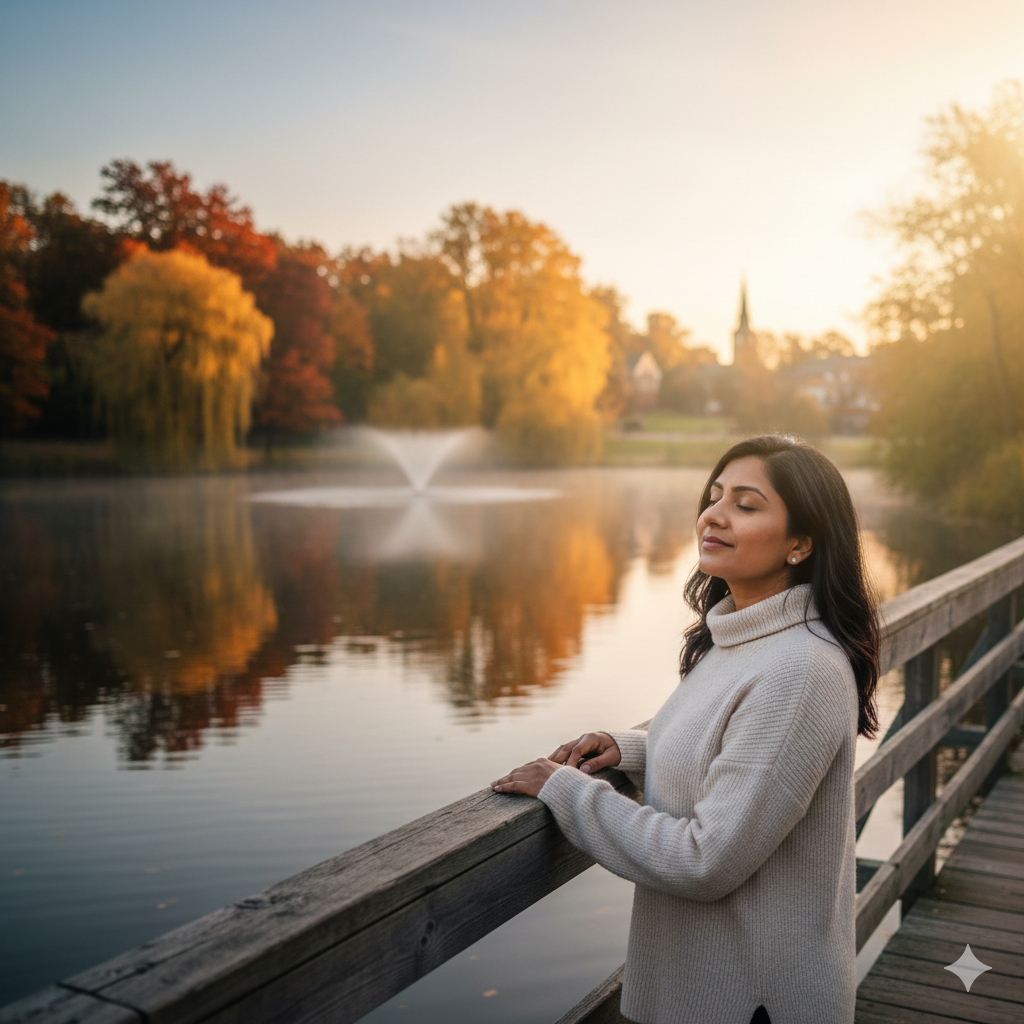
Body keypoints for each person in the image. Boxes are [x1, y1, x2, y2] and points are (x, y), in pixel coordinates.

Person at [491, 435, 880, 1024]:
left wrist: (566, 790)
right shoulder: (739, 637)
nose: (714, 514)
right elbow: (741, 755)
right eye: (715, 495)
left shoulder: (800, 670)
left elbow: (706, 860)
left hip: (750, 1000)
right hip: (702, 991)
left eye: (747, 505)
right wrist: (633, 751)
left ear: (801, 543)